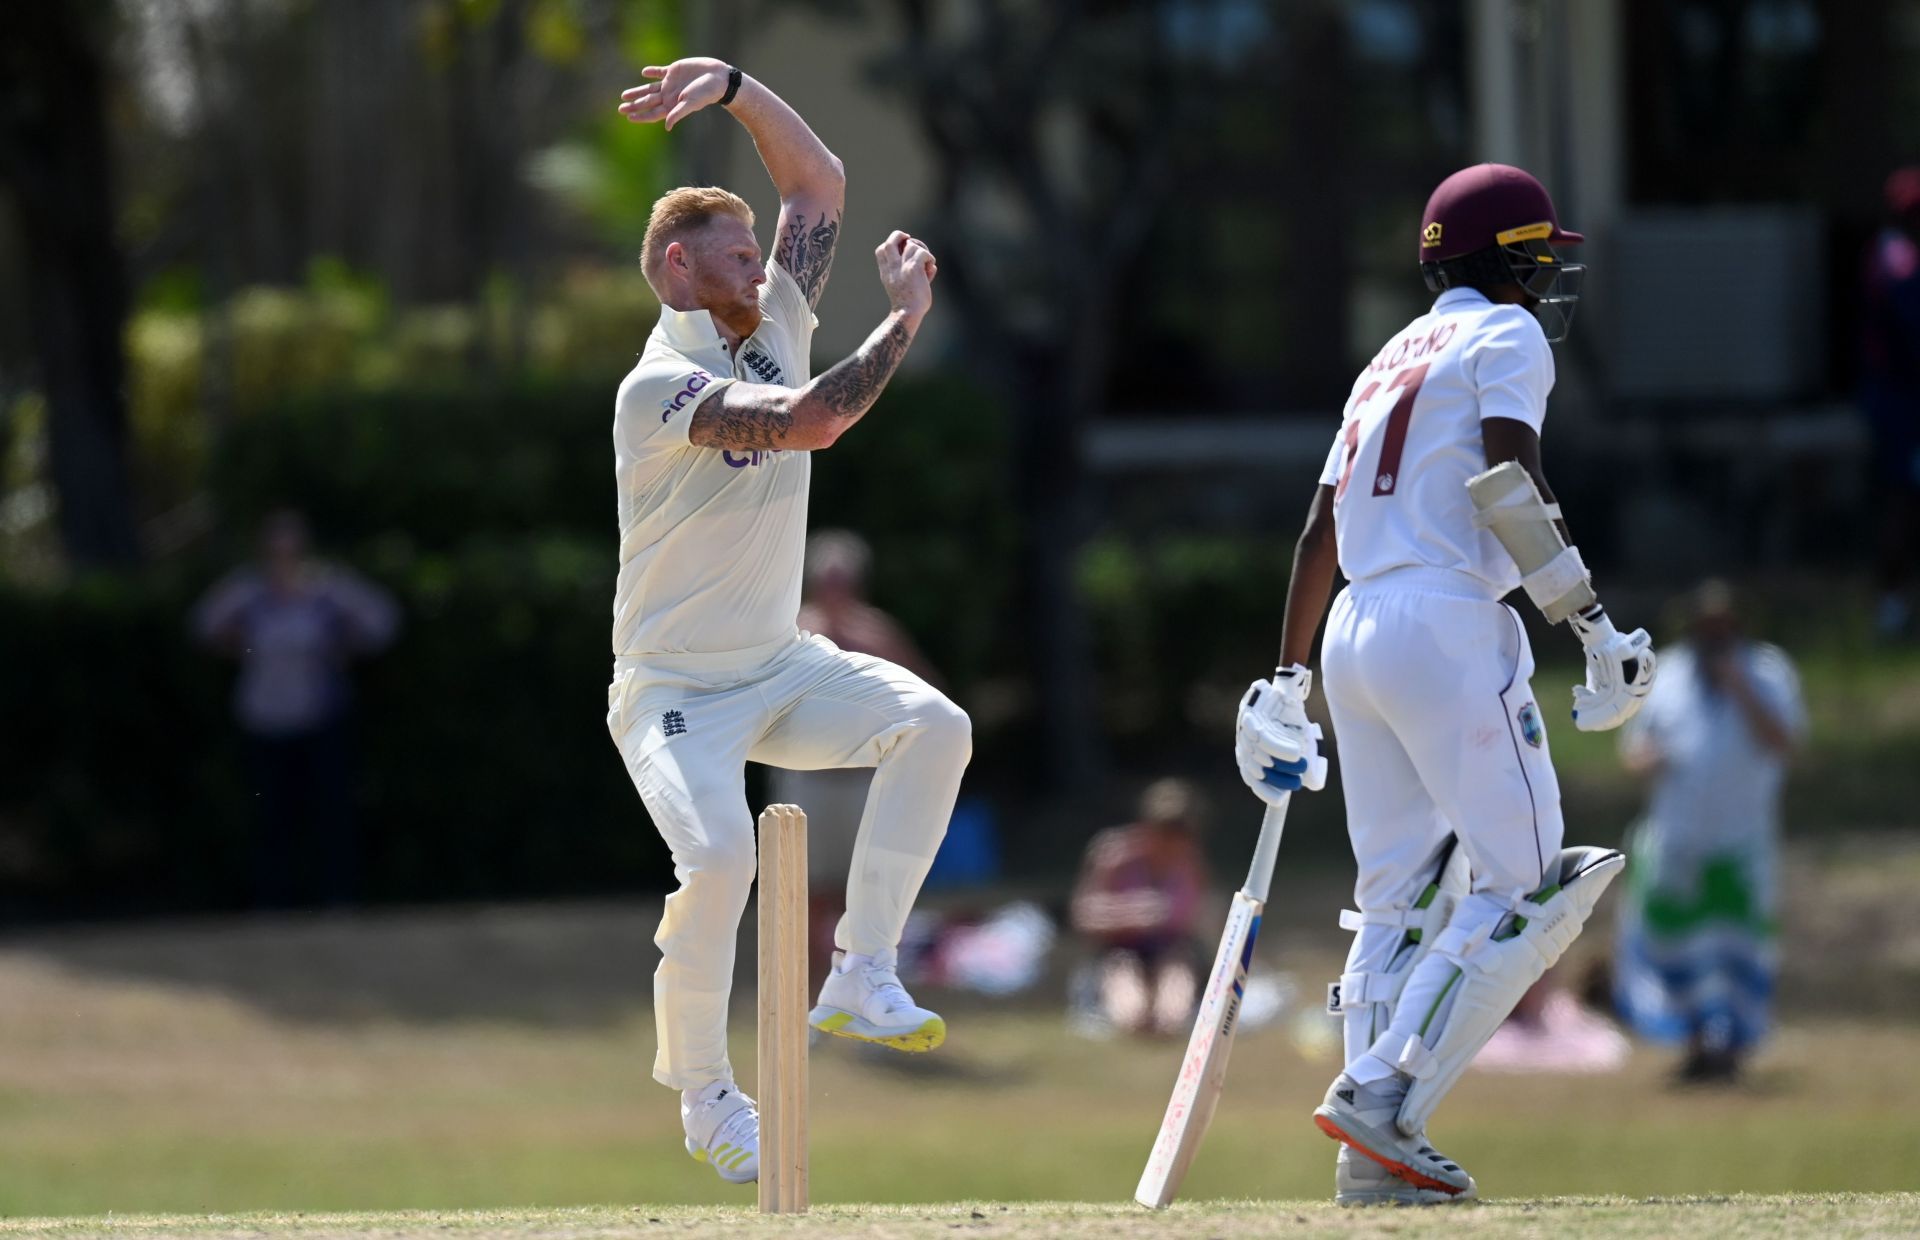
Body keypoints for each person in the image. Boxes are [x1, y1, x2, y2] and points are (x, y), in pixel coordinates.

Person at [1231, 164, 1658, 1205]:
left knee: (1397, 902)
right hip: (1444, 624)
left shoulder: (1386, 355)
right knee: (1530, 883)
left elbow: (1319, 527)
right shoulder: (1504, 338)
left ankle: (1369, 1161)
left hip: (1353, 626)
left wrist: (1285, 675)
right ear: (1508, 256)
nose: (1550, 272)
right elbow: (1507, 482)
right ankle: (1379, 1096)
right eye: (1542, 253)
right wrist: (1594, 627)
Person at [606, 59, 970, 1187]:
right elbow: (812, 423)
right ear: (678, 267)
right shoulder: (657, 387)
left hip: (779, 664)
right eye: (733, 253)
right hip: (670, 694)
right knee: (717, 856)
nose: (760, 266)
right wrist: (905, 321)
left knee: (937, 725)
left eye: (760, 252)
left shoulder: (779, 317)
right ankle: (705, 1094)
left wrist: (734, 89)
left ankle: (862, 968)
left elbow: (820, 186)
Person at [1613, 580, 1804, 1083]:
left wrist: (1739, 686)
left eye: (1723, 625)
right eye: (1706, 626)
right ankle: (1695, 1042)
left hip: (1741, 837)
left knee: (1736, 946)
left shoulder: (1768, 670)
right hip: (1678, 833)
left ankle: (1735, 1048)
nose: (1714, 635)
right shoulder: (1667, 674)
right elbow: (1633, 750)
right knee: (1677, 942)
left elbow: (1784, 742)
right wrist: (1648, 760)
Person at [192, 510, 399, 909]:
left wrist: (347, 642)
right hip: (264, 719)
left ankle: (337, 896)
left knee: (331, 812)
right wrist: (237, 644)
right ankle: (273, 899)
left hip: (320, 717)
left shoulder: (327, 591)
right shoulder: (249, 593)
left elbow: (383, 621)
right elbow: (204, 625)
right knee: (271, 815)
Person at [770, 529, 944, 992]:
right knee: (805, 895)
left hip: (865, 784)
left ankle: (861, 993)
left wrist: (878, 652)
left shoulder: (877, 631)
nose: (835, 592)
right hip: (807, 783)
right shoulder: (792, 630)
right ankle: (805, 998)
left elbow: (927, 699)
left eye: (843, 582)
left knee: (865, 896)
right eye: (828, 581)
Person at [1068, 778, 1210, 1036]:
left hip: (1172, 951)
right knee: (1131, 1016)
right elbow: (1084, 916)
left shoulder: (1189, 861)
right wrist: (1133, 914)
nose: (1171, 841)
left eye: (1180, 832)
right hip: (1120, 951)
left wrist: (1169, 918)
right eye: (1165, 830)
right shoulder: (1113, 855)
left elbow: (1198, 916)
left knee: (1171, 1016)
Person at [1861, 167, 1920, 639]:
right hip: (1902, 402)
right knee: (1900, 500)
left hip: (1896, 398)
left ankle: (1897, 602)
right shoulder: (1900, 261)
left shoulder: (1891, 252)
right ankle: (1892, 604)